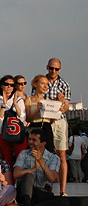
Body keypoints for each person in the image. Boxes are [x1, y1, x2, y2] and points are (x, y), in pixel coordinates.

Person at [12, 129, 62, 206]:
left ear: (43, 143)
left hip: (40, 193)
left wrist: (41, 160)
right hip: (24, 193)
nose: (30, 142)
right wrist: (33, 169)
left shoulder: (53, 158)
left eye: (34, 140)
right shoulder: (24, 154)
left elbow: (52, 178)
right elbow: (16, 174)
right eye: (30, 139)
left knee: (63, 202)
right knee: (28, 176)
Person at [42, 57, 71, 196]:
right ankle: (45, 186)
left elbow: (66, 108)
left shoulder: (64, 85)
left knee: (61, 154)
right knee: (45, 154)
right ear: (47, 67)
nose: (53, 71)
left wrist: (61, 103)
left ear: (60, 69)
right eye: (51, 68)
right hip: (46, 121)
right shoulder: (42, 82)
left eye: (56, 69)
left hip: (60, 121)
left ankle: (62, 190)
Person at [0, 74, 27, 165]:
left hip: (17, 131)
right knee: (6, 157)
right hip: (3, 131)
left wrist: (15, 104)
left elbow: (22, 117)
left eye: (11, 85)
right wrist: (4, 105)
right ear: (1, 85)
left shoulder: (19, 100)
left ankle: (18, 177)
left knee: (20, 156)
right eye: (6, 84)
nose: (9, 87)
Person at [25, 75, 55, 152]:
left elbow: (51, 121)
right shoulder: (29, 100)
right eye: (43, 83)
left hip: (47, 128)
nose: (45, 86)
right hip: (35, 127)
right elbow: (28, 119)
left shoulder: (48, 101)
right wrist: (37, 110)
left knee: (48, 151)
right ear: (35, 84)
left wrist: (56, 113)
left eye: (47, 84)